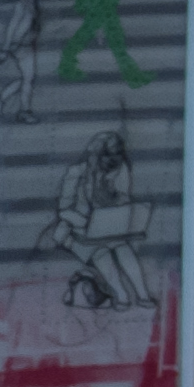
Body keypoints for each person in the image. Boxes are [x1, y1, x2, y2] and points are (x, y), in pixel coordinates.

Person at [48, 128, 153, 308]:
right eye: (107, 159)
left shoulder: (120, 170)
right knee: (100, 251)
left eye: (116, 159)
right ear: (95, 156)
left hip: (108, 228)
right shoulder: (76, 173)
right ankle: (121, 295)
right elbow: (64, 210)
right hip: (76, 229)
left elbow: (123, 202)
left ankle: (143, 295)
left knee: (122, 247)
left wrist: (114, 188)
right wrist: (85, 222)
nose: (111, 164)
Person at [0, 0, 47, 124]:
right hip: (20, 47)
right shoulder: (22, 5)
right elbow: (12, 28)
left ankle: (1, 99)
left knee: (27, 79)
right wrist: (5, 49)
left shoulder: (31, 5)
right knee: (28, 79)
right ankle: (24, 111)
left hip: (26, 47)